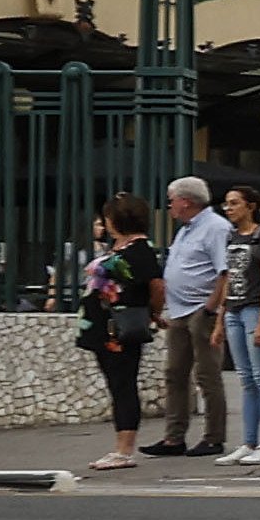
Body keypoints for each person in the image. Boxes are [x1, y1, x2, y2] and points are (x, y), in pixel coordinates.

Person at [145, 176, 231, 459]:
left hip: (200, 309)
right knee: (175, 373)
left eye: (172, 200)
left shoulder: (215, 228)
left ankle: (214, 437)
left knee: (207, 374)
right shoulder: (185, 229)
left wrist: (211, 308)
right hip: (179, 309)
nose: (169, 206)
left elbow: (224, 272)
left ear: (186, 201)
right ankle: (174, 437)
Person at [75, 196, 161, 470]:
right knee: (116, 384)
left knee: (123, 384)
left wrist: (153, 313)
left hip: (120, 329)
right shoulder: (118, 249)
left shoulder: (140, 251)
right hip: (103, 327)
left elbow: (157, 286)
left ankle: (124, 450)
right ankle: (120, 445)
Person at [218, 183, 260, 465]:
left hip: (254, 309)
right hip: (234, 309)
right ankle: (248, 442)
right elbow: (228, 278)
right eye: (227, 204)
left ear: (251, 206)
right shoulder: (231, 237)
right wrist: (220, 319)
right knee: (246, 380)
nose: (229, 209)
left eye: (235, 203)